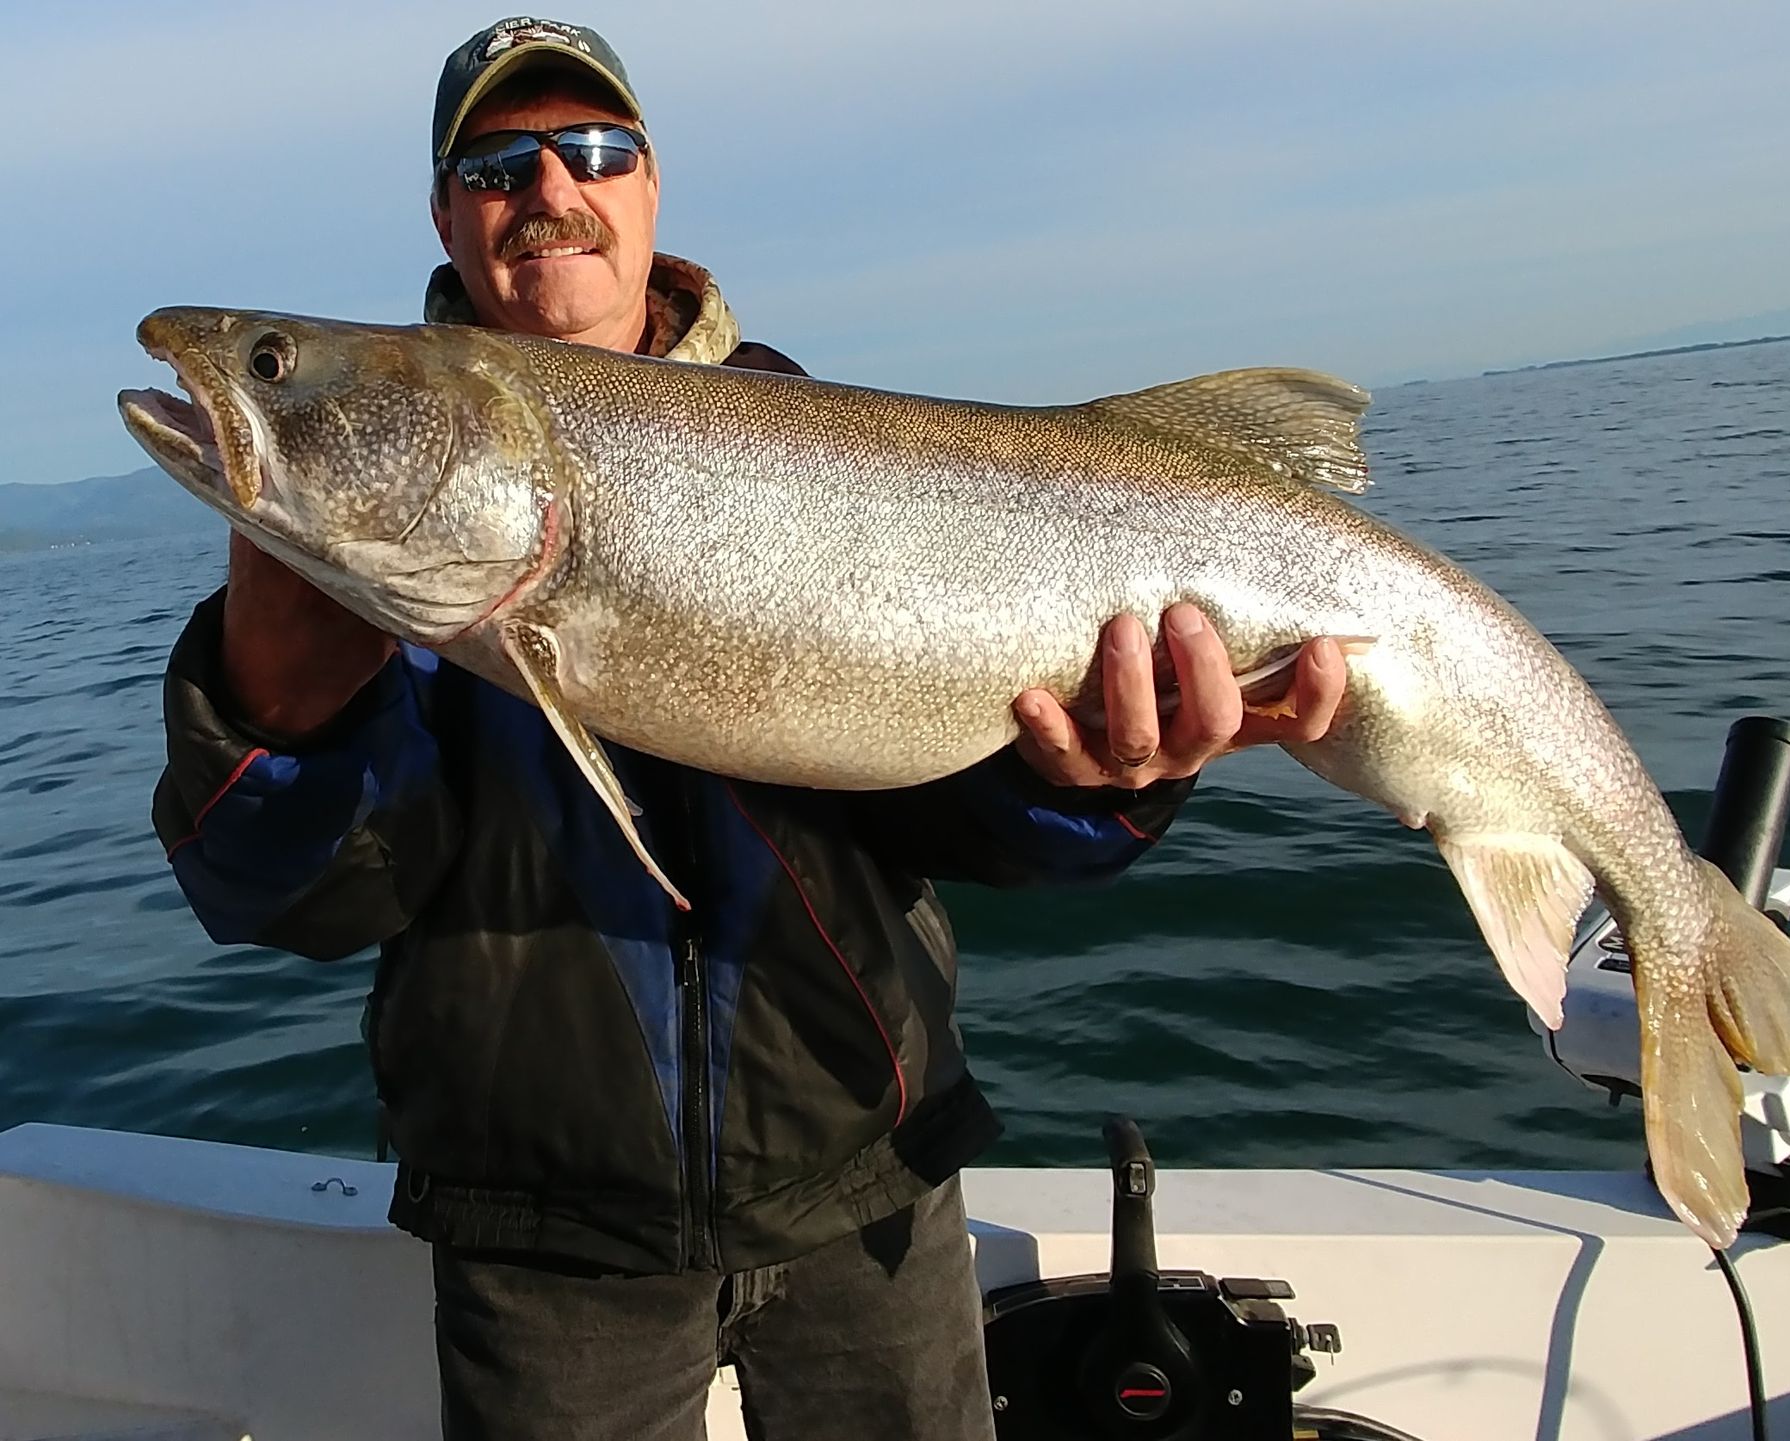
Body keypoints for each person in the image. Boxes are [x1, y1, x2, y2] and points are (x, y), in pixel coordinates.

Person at [151, 16, 1349, 1440]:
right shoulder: (379, 546)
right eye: (494, 161)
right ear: (443, 211)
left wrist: (1109, 786)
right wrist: (272, 725)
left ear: (650, 188)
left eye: (592, 148)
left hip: (867, 1175)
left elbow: (969, 822)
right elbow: (287, 901)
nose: (549, 188)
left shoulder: (823, 440)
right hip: (544, 1241)